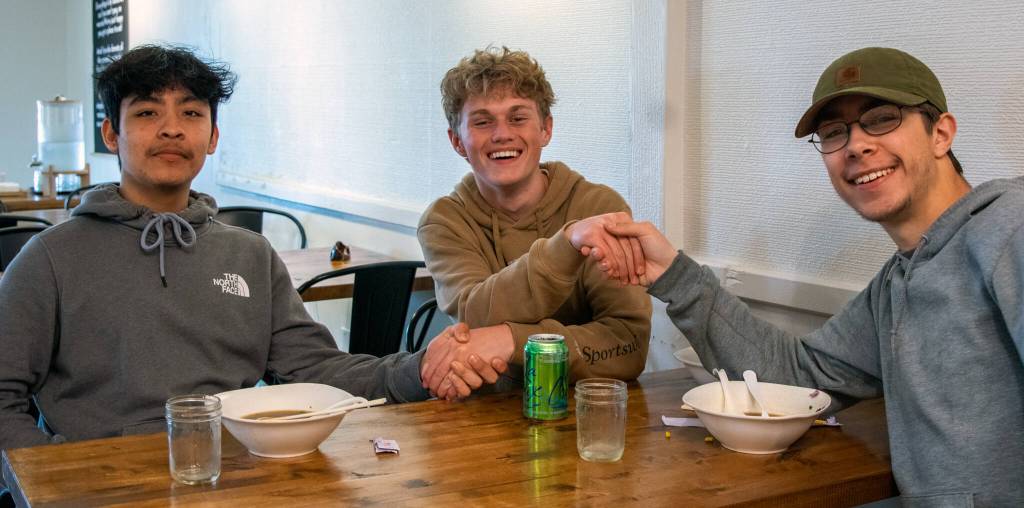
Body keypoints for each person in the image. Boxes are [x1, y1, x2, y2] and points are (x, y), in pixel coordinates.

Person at [0, 45, 501, 458]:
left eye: (191, 113)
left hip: (234, 474)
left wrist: (420, 368)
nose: (172, 128)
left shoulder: (250, 256)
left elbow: (316, 369)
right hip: (101, 483)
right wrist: (47, 478)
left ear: (213, 137)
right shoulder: (49, 259)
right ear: (112, 134)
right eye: (148, 112)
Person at [587, 47, 1022, 505]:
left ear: (941, 134)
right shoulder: (897, 282)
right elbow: (798, 379)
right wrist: (673, 275)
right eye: (835, 133)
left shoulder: (1008, 228)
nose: (856, 145)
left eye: (881, 118)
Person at [416, 47, 652, 396]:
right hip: (485, 416)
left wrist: (510, 339)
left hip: (589, 414)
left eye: (517, 118)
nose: (502, 134)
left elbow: (628, 346)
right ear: (457, 142)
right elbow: (477, 316)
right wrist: (568, 244)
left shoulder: (599, 207)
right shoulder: (445, 221)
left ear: (546, 129)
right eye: (482, 122)